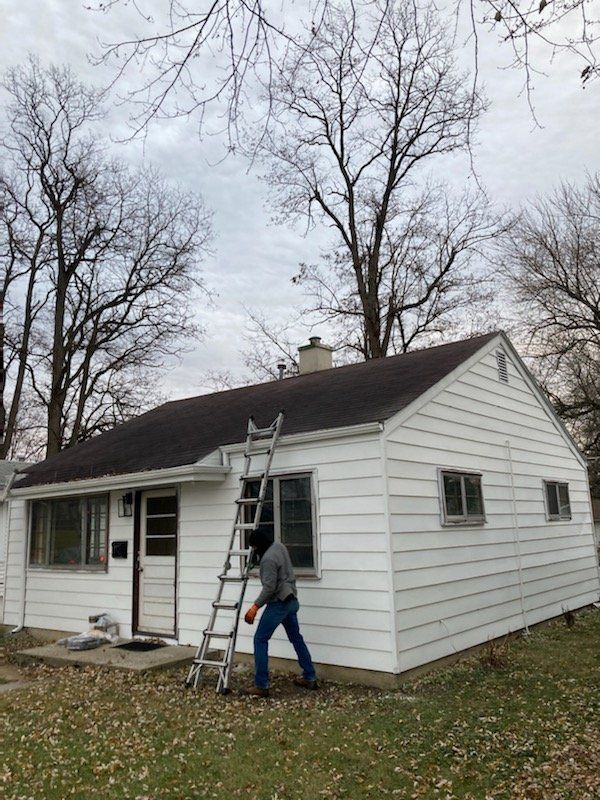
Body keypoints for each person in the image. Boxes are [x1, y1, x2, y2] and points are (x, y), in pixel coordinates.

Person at [243, 528, 318, 697]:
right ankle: (310, 677)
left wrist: (254, 607)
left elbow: (269, 588)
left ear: (259, 545)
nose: (254, 550)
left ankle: (261, 685)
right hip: (291, 599)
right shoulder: (279, 546)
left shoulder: (267, 559)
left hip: (279, 603)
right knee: (296, 638)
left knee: (260, 639)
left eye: (254, 547)